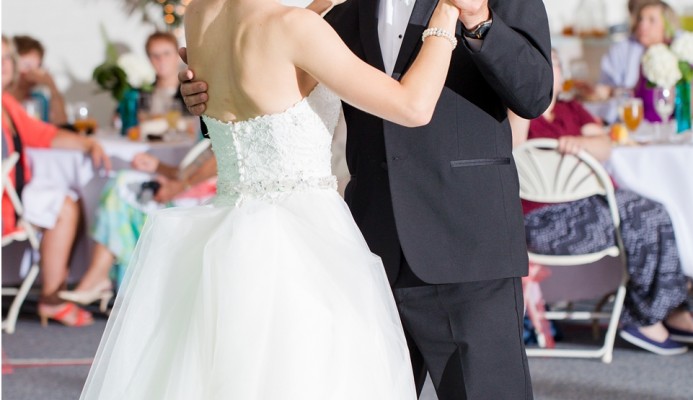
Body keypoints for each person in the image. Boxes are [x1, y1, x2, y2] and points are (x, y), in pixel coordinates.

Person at [79, 0, 467, 397]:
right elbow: (413, 106)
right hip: (303, 239)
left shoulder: (199, 15)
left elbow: (269, 54)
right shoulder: (296, 28)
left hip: (226, 233)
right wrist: (445, 17)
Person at [180, 0, 552, 398]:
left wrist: (479, 20)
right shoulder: (329, 11)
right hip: (365, 251)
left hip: (465, 244)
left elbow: (535, 95)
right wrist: (211, 91)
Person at [508, 50, 693, 356]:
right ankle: (645, 319)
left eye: (553, 63)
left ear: (563, 75)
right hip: (543, 220)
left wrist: (580, 144)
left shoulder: (572, 109)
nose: (547, 68)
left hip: (587, 205)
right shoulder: (518, 112)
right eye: (539, 60)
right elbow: (515, 152)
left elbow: (605, 144)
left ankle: (672, 310)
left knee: (656, 210)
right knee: (645, 217)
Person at [2, 35, 111, 327]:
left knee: (69, 200)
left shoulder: (6, 103)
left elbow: (42, 133)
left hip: (12, 194)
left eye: (7, 59)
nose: (4, 65)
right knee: (64, 206)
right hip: (4, 205)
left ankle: (55, 293)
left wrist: (87, 143)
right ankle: (52, 299)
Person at [57, 146, 217, 309]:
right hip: (195, 187)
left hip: (209, 200)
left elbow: (222, 159)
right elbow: (206, 160)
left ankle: (102, 278)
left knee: (120, 190)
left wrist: (180, 186)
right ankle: (100, 276)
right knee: (121, 183)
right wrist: (159, 167)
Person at [9, 35, 68, 126]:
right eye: (27, 65)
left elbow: (61, 123)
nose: (35, 71)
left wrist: (52, 86)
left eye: (39, 65)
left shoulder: (40, 99)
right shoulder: (4, 99)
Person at [138, 31, 189, 118]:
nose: (161, 59)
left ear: (178, 55)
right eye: (155, 55)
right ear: (149, 59)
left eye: (166, 53)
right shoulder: (141, 95)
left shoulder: (191, 93)